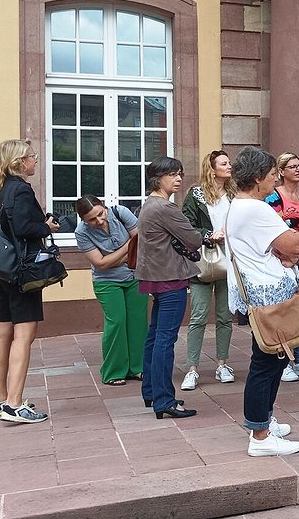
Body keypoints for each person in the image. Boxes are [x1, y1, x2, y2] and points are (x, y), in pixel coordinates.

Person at [224, 146, 299, 456]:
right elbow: (294, 242)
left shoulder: (240, 205)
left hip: (260, 294)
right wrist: (295, 240)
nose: (275, 180)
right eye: (272, 175)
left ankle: (264, 422)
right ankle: (259, 435)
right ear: (258, 177)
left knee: (272, 360)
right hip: (268, 296)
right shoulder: (255, 209)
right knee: (266, 363)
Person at [0, 139, 58, 424]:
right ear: (19, 162)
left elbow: (4, 226)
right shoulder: (22, 189)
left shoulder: (1, 189)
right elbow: (23, 228)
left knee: (3, 331)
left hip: (0, 268)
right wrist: (47, 226)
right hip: (21, 270)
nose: (35, 159)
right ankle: (15, 403)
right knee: (24, 335)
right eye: (32, 156)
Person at [137, 156, 203, 418]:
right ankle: (164, 399)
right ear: (158, 178)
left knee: (155, 337)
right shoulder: (165, 208)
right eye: (173, 174)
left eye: (179, 174)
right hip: (170, 277)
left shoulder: (149, 205)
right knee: (165, 339)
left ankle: (152, 392)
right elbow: (194, 238)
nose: (178, 179)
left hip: (155, 277)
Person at [180, 150, 236, 391]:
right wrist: (207, 236)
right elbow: (186, 225)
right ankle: (192, 369)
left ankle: (222, 364)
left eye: (229, 162)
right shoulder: (196, 194)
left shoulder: (235, 194)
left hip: (230, 260)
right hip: (204, 260)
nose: (229, 166)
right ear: (212, 169)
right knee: (198, 316)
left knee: (225, 316)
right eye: (224, 163)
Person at [74, 195, 144, 387]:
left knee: (137, 321)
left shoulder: (121, 213)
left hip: (134, 276)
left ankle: (138, 368)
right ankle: (113, 371)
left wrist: (115, 256)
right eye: (92, 219)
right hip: (106, 282)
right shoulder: (81, 232)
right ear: (83, 220)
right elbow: (100, 264)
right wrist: (127, 248)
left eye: (100, 214)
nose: (99, 221)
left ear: (104, 206)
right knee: (117, 321)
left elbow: (141, 242)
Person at [268, 151, 299, 381]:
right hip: (282, 259)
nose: (297, 169)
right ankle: (284, 360)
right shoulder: (274, 197)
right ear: (281, 172)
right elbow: (276, 229)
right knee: (284, 308)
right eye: (292, 166)